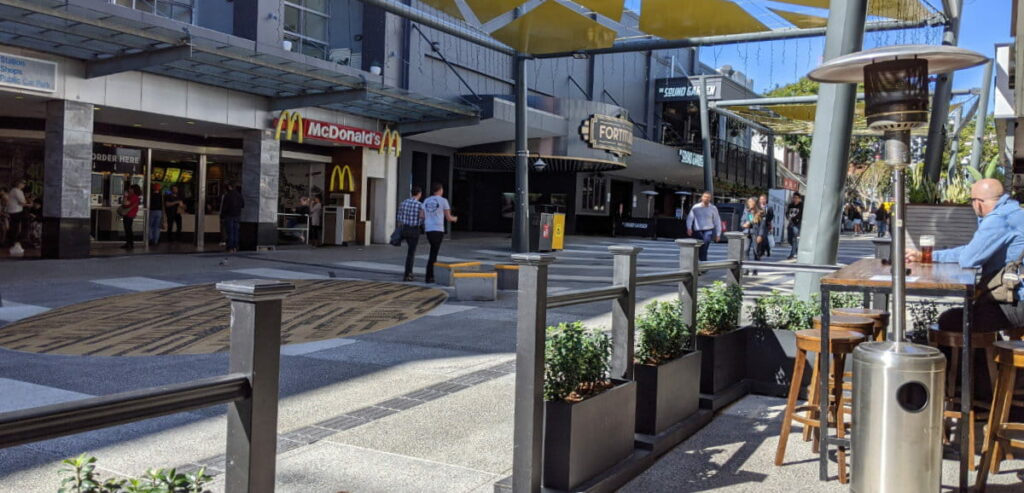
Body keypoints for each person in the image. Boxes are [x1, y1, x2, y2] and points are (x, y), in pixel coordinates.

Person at [906, 179, 1024, 332]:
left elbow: (968, 259)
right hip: (1011, 298)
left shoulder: (998, 218)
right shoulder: (1015, 212)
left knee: (950, 320)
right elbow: (971, 251)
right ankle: (985, 354)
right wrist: (928, 256)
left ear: (978, 203)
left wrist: (928, 256)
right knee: (969, 315)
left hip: (1016, 302)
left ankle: (967, 357)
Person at [422, 182, 458, 284]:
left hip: (429, 229)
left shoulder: (426, 200)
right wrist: (455, 218)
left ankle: (430, 275)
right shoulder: (443, 201)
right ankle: (430, 276)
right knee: (434, 253)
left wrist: (430, 216)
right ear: (440, 190)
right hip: (438, 229)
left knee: (433, 251)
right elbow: (448, 217)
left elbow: (422, 215)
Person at [396, 186, 426, 282]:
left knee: (410, 252)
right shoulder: (420, 205)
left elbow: (399, 218)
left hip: (405, 229)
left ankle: (408, 273)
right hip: (414, 230)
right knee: (411, 253)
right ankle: (408, 274)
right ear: (419, 194)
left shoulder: (403, 203)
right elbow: (422, 218)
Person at [686, 191, 721, 262]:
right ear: (701, 198)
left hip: (708, 231)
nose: (706, 199)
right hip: (698, 231)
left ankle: (703, 264)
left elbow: (717, 221)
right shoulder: (696, 207)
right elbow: (690, 218)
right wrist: (689, 228)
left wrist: (718, 234)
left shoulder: (713, 208)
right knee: (698, 248)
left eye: (708, 197)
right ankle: (699, 263)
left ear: (710, 199)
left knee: (704, 246)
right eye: (705, 197)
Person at [220, 182, 244, 253]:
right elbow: (243, 205)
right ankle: (235, 247)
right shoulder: (239, 195)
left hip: (229, 215)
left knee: (230, 232)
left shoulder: (227, 195)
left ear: (229, 187)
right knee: (236, 231)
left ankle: (230, 247)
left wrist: (222, 215)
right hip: (237, 215)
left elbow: (224, 207)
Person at [6, 179, 27, 246]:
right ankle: (12, 241)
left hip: (18, 210)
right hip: (15, 211)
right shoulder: (15, 190)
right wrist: (26, 203)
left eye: (24, 184)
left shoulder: (19, 191)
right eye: (23, 183)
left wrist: (24, 202)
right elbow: (22, 202)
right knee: (14, 227)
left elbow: (24, 202)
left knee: (16, 226)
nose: (24, 185)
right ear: (19, 184)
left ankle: (15, 240)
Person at [120, 184, 141, 249]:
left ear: (133, 190)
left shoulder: (134, 197)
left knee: (128, 229)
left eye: (130, 189)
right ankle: (128, 243)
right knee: (127, 229)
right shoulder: (132, 196)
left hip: (129, 214)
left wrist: (125, 196)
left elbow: (125, 203)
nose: (129, 190)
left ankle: (130, 244)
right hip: (128, 214)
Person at [786, 193, 803, 259]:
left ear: (799, 199)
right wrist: (788, 217)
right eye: (794, 197)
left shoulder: (801, 205)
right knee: (789, 239)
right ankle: (796, 249)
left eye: (796, 197)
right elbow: (787, 213)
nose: (795, 199)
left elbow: (801, 215)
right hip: (790, 223)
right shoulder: (790, 205)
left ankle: (792, 254)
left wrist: (795, 218)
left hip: (797, 224)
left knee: (794, 239)